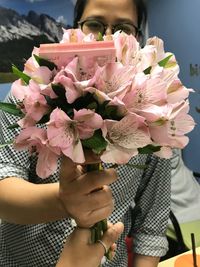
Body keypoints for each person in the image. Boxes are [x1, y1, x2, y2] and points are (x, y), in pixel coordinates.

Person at [0, 1, 171, 267]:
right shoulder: (30, 93)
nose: (107, 37)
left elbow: (152, 225)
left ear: (136, 38)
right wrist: (62, 200)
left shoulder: (155, 112)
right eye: (94, 24)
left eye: (123, 27)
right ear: (75, 29)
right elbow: (3, 187)